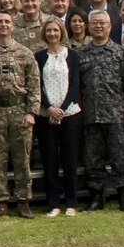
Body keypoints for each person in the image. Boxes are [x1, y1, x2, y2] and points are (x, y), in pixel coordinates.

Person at [0, 9, 40, 218]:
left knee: (22, 157)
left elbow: (34, 85)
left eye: (7, 22)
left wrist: (32, 112)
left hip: (20, 110)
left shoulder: (25, 53)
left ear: (13, 26)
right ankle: (1, 202)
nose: (3, 25)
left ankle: (23, 201)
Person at [76, 11, 124, 211]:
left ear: (110, 27)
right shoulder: (81, 54)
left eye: (102, 23)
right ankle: (96, 198)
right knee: (93, 160)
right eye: (94, 23)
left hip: (116, 115)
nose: (98, 26)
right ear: (88, 27)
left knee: (120, 159)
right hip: (91, 116)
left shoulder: (120, 52)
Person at [32, 17, 83, 215]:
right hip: (46, 115)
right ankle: (53, 204)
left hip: (69, 113)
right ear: (44, 33)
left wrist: (61, 108)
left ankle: (71, 203)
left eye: (56, 30)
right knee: (50, 159)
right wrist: (49, 108)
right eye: (49, 31)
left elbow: (75, 84)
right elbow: (37, 85)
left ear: (61, 32)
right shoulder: (39, 57)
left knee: (70, 160)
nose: (52, 34)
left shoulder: (72, 55)